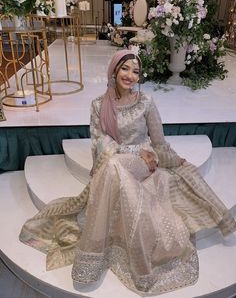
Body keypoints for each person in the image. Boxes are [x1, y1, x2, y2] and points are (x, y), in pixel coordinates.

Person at [19, 50, 236, 296]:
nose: (130, 75)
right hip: (115, 162)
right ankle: (93, 258)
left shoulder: (146, 102)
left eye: (135, 71)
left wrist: (172, 159)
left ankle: (92, 257)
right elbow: (99, 142)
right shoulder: (99, 105)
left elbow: (159, 142)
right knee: (112, 167)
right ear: (114, 70)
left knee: (113, 167)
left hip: (144, 164)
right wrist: (128, 150)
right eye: (125, 68)